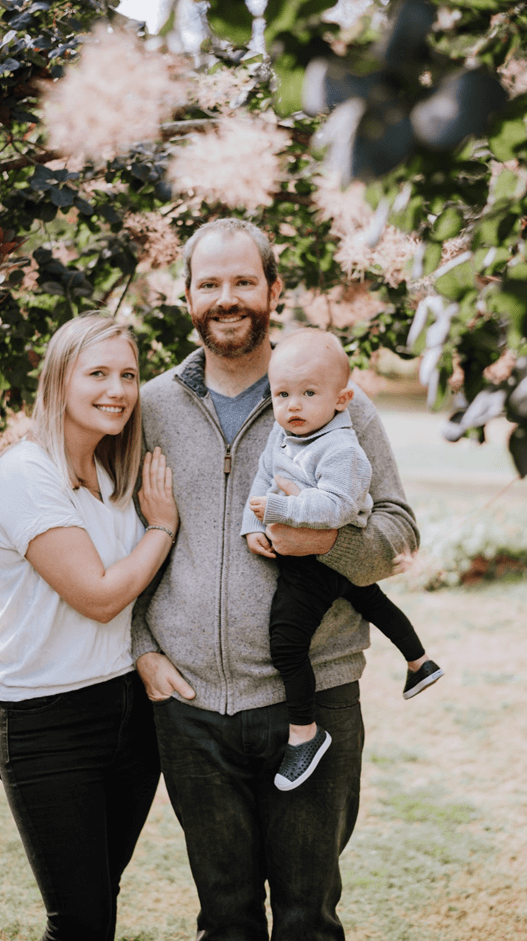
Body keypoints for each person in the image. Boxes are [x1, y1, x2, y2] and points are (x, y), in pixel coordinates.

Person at [133, 218, 420, 941]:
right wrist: (142, 645)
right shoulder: (152, 407)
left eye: (243, 281)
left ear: (274, 289)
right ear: (187, 296)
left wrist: (326, 541)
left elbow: (399, 531)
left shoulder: (335, 400)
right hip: (191, 708)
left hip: (314, 700)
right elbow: (119, 536)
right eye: (209, 283)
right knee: (224, 921)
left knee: (305, 921)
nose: (226, 298)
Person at [0, 314, 178, 941]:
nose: (117, 390)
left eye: (128, 375)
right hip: (47, 719)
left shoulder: (115, 477)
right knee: (79, 922)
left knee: (99, 901)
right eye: (97, 373)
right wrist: (162, 528)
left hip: (129, 712)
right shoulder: (26, 472)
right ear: (59, 380)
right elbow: (99, 597)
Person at [241, 328, 443, 792]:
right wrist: (252, 524)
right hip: (327, 559)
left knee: (287, 644)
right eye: (282, 394)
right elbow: (263, 478)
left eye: (309, 394)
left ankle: (304, 733)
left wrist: (280, 509)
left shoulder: (341, 449)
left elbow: (336, 507)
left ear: (341, 399)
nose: (293, 406)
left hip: (319, 560)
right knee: (371, 601)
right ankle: (420, 662)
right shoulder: (283, 435)